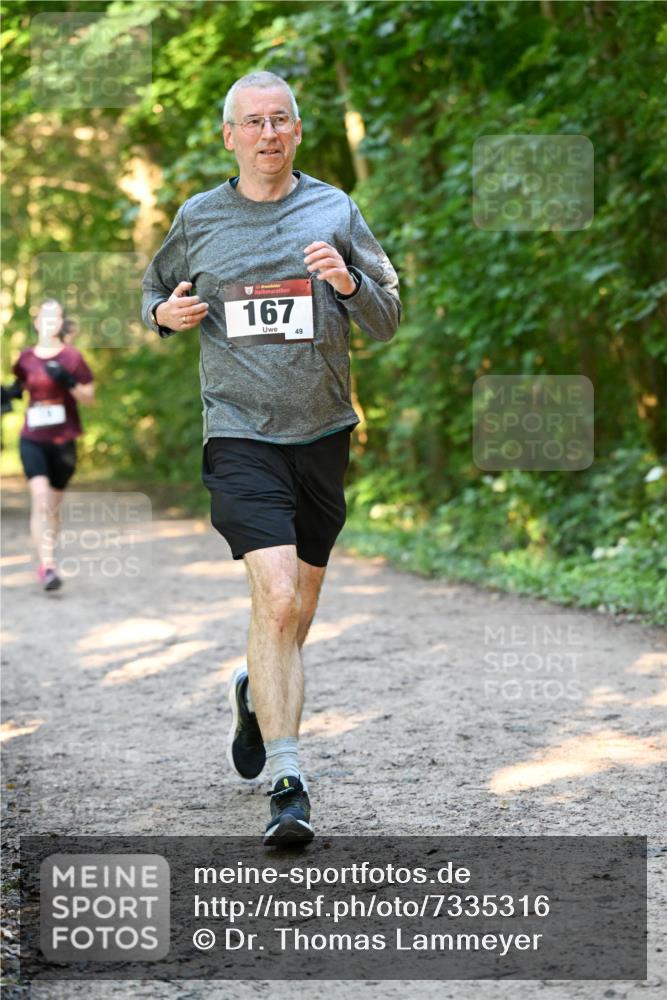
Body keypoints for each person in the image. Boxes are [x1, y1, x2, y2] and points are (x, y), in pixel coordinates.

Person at [141, 70, 400, 845]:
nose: (267, 133)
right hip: (239, 433)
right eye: (251, 122)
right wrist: (164, 313)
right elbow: (154, 287)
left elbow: (386, 318)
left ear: (295, 131)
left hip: (321, 434)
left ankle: (255, 688)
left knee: (293, 621)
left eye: (279, 120)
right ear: (230, 136)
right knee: (278, 601)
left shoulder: (334, 208)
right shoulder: (198, 218)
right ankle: (289, 783)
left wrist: (348, 282)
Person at [9, 299, 95, 590]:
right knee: (41, 499)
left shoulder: (72, 357)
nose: (49, 321)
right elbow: (20, 387)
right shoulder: (25, 358)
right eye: (45, 316)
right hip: (32, 438)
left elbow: (89, 397)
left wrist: (69, 381)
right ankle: (46, 566)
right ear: (36, 322)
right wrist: (7, 395)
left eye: (55, 317)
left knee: (53, 509)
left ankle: (49, 556)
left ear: (60, 322)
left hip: (63, 441)